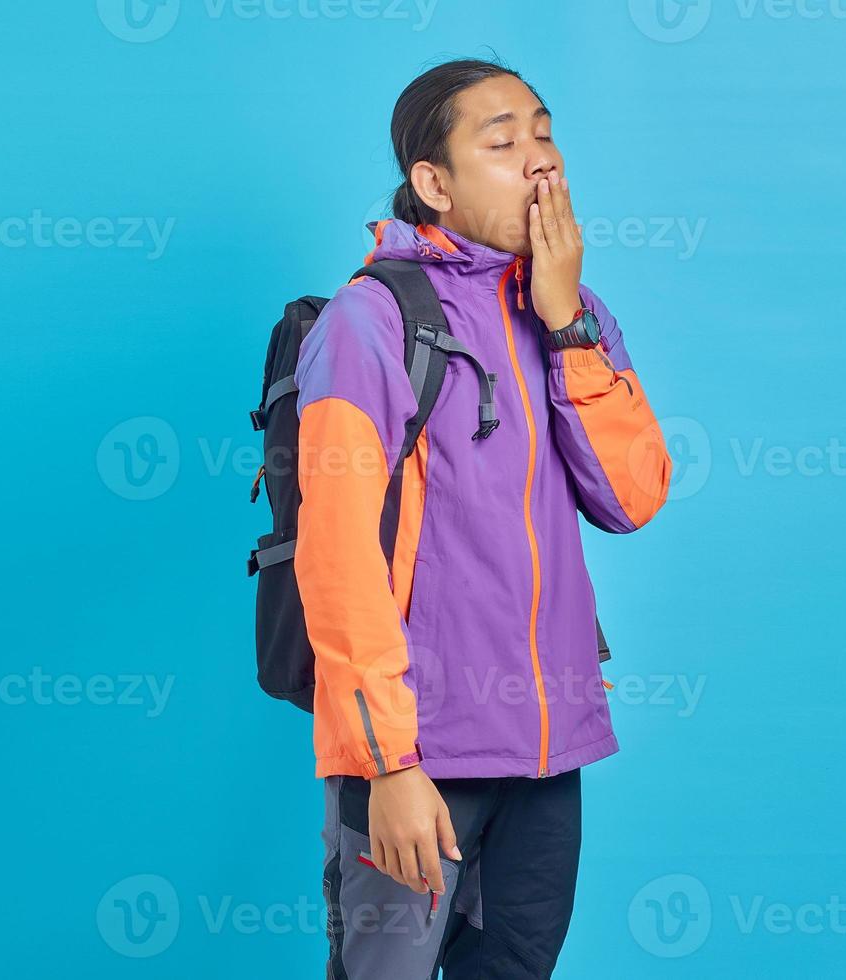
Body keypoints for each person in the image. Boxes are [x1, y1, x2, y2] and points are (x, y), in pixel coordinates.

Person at [293, 57, 672, 979]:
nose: (539, 160)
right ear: (434, 184)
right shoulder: (371, 321)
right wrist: (387, 763)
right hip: (419, 757)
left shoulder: (573, 315)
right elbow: (336, 556)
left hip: (546, 759)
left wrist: (566, 322)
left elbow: (631, 497)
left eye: (545, 134)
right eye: (502, 143)